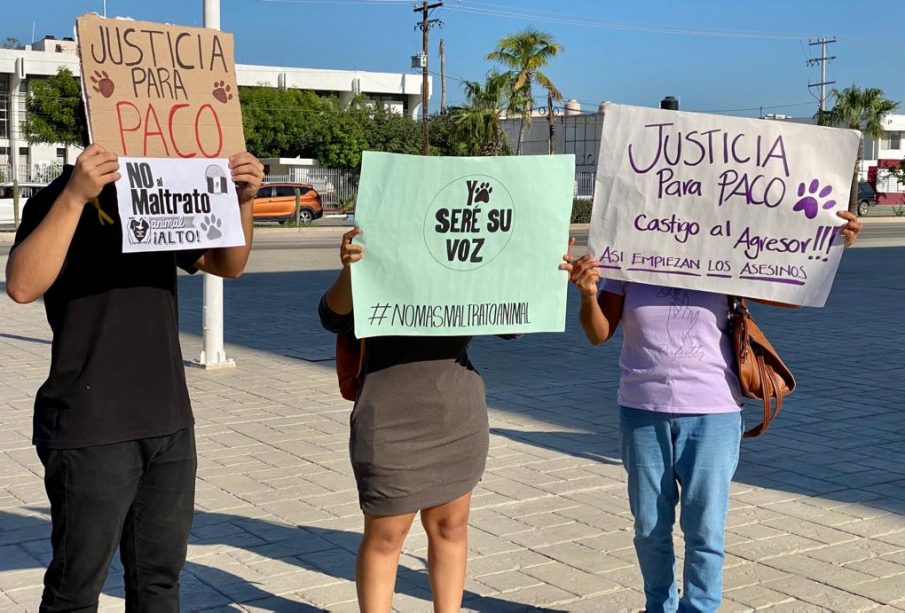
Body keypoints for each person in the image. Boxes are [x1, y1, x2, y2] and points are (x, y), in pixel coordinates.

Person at [6, 139, 264, 612]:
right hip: (89, 426)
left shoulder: (164, 185)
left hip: (168, 422)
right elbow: (22, 285)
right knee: (75, 588)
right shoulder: (56, 198)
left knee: (159, 582)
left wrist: (241, 202)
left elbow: (227, 265)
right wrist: (76, 196)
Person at [561, 210, 863, 613]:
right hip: (641, 410)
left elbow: (791, 291)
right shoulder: (627, 254)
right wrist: (586, 294)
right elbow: (598, 334)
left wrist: (828, 243)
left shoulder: (724, 249)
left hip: (713, 412)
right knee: (649, 528)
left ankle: (701, 608)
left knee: (705, 531)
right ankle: (659, 606)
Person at [319, 227, 491, 613]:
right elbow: (333, 316)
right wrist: (350, 268)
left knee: (451, 527)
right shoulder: (378, 243)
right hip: (387, 418)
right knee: (385, 535)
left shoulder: (466, 255)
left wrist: (541, 268)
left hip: (456, 414)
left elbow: (511, 325)